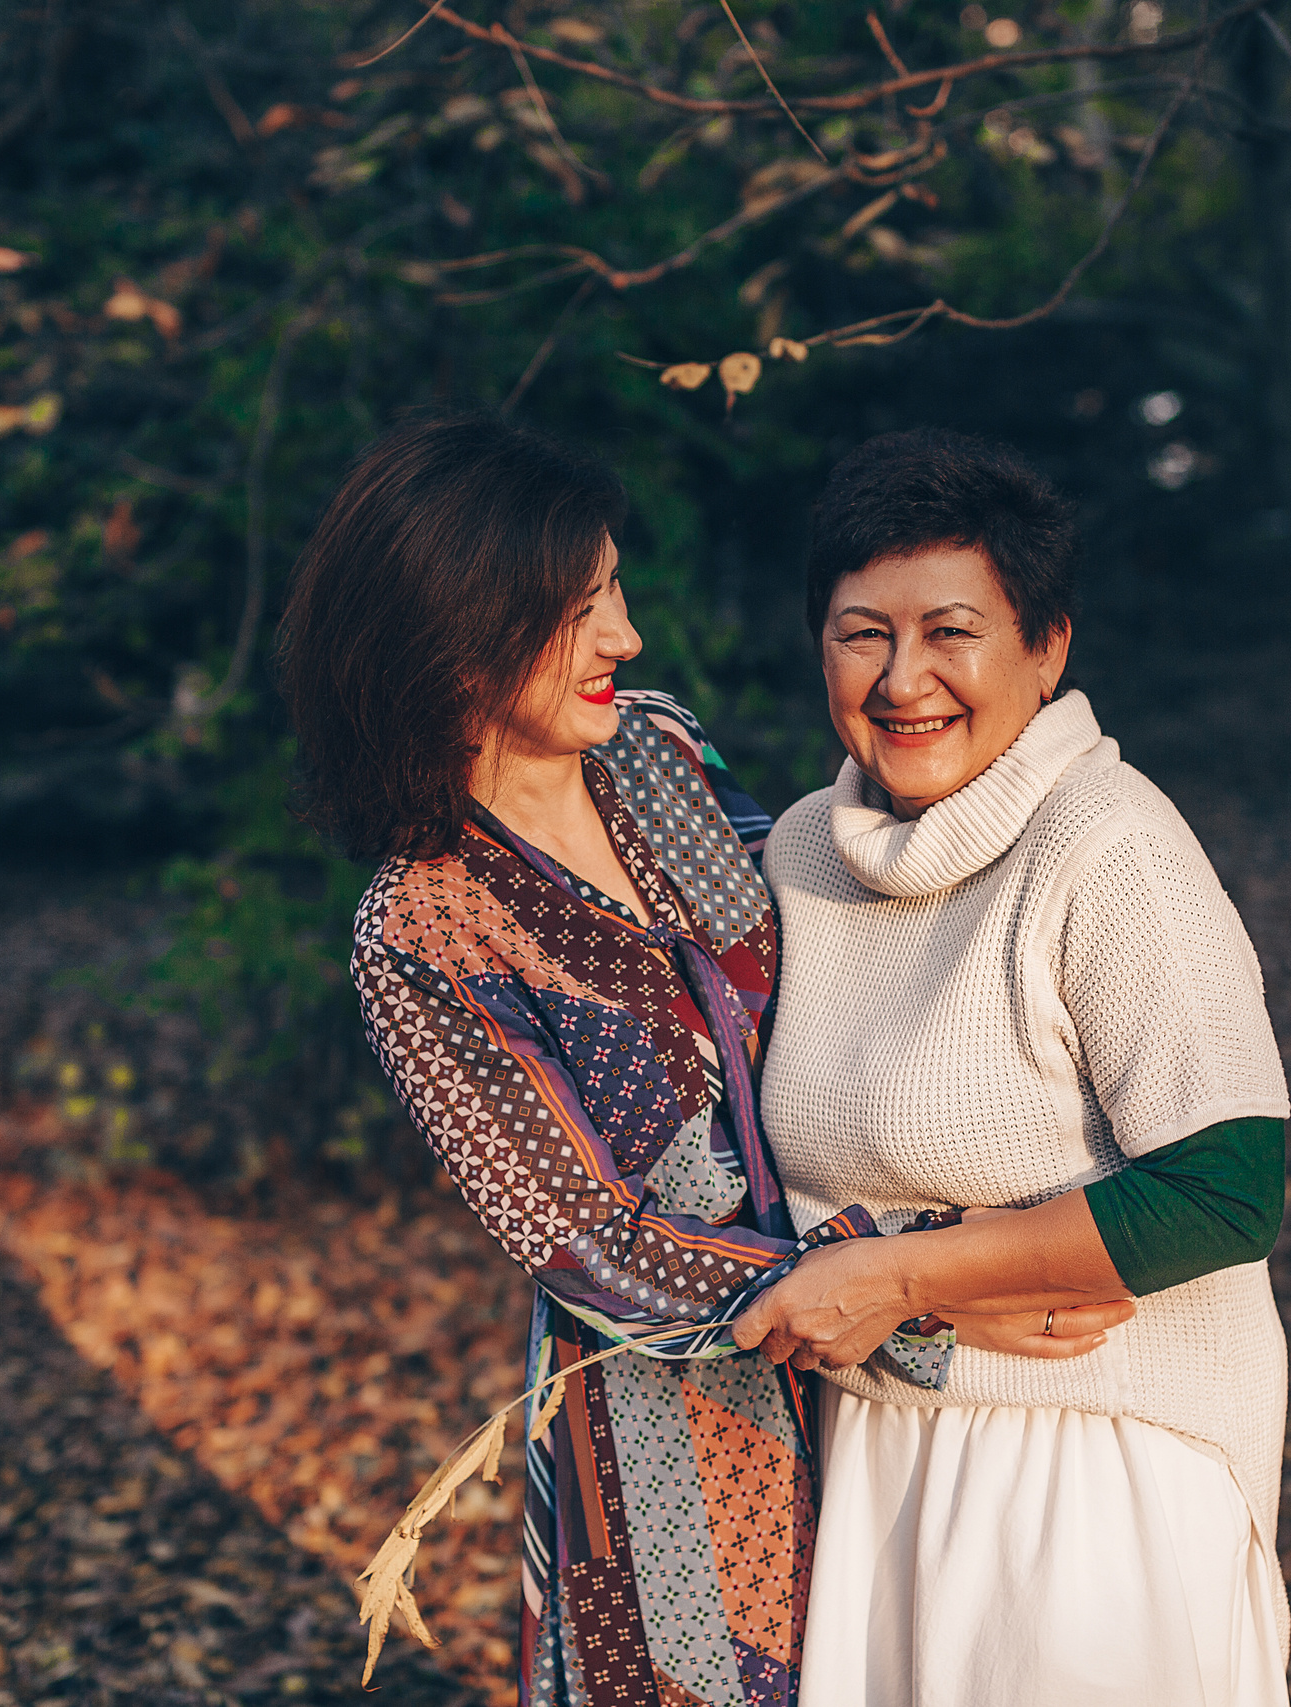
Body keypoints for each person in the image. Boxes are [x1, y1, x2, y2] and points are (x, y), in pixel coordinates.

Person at [276, 414, 1126, 1707]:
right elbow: (592, 1243)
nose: (623, 636)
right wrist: (912, 1286)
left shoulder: (657, 747)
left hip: (898, 1312)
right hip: (693, 1417)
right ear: (454, 641)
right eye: (575, 610)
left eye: (613, 590)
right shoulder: (422, 927)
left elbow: (826, 946)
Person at [734, 428, 1291, 1707]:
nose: (902, 677)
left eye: (952, 630)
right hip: (877, 1450)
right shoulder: (803, 855)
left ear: (1046, 649)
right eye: (859, 631)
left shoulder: (1108, 845)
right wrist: (919, 1289)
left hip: (1092, 1470)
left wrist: (904, 1271)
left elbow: (1227, 1187)